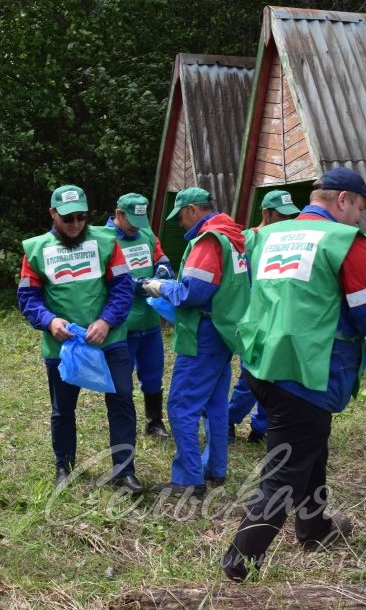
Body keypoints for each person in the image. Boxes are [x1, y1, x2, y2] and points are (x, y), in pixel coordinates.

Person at [221, 167, 366, 581]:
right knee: (284, 472)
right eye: (360, 207)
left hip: (260, 363)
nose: (360, 218)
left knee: (309, 445)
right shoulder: (344, 242)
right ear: (342, 200)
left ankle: (315, 528)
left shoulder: (266, 235)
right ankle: (237, 564)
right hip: (306, 369)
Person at [18, 184, 143, 493]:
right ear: (52, 214)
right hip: (64, 345)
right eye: (68, 218)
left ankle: (124, 471)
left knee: (122, 401)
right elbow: (28, 297)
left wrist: (106, 320)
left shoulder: (107, 242)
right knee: (62, 409)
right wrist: (49, 321)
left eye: (81, 217)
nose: (75, 224)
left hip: (109, 340)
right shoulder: (36, 250)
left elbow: (123, 287)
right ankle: (65, 467)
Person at [143, 187, 248, 496]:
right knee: (215, 403)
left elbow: (193, 293)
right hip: (225, 330)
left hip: (203, 332)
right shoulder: (233, 238)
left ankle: (189, 479)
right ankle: (216, 469)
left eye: (180, 217)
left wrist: (159, 286)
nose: (180, 224)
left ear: (192, 210)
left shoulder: (208, 241)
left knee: (181, 406)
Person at [227, 189, 301, 444]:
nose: (287, 222)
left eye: (291, 216)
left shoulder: (294, 240)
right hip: (255, 320)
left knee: (278, 377)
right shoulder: (248, 240)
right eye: (281, 216)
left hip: (282, 319)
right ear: (266, 214)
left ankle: (261, 427)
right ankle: (229, 419)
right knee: (251, 377)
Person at [107, 193, 174, 439]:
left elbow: (160, 256)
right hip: (122, 324)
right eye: (132, 220)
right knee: (121, 381)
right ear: (119, 213)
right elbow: (109, 278)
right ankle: (123, 429)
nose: (137, 226)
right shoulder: (105, 239)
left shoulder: (145, 233)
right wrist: (139, 284)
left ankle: (154, 422)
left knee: (153, 373)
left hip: (149, 320)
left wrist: (164, 269)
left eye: (140, 219)